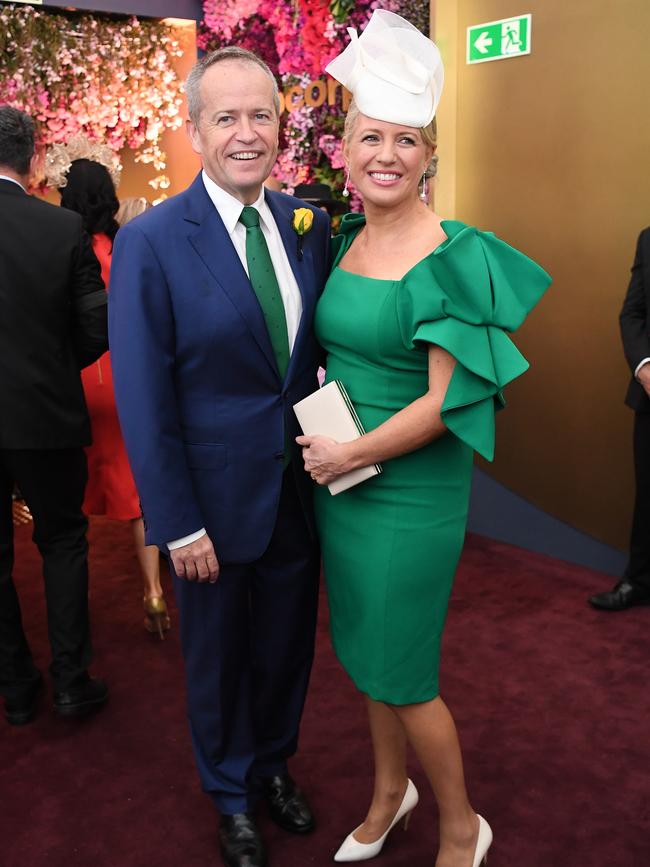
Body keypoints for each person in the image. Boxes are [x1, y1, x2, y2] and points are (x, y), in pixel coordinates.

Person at [297, 11, 551, 867]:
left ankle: (459, 822)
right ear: (346, 149)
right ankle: (386, 794)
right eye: (371, 137)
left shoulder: (451, 253)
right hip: (347, 490)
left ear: (429, 155)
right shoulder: (346, 236)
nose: (386, 155)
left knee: (405, 672)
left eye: (406, 141)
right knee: (369, 658)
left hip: (408, 490)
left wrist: (347, 452)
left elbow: (446, 403)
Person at [108, 47, 330, 867]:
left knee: (284, 649)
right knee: (217, 661)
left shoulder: (306, 227)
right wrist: (175, 521)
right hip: (207, 506)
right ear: (196, 130)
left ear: (281, 124)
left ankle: (273, 764)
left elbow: (304, 365)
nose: (247, 133)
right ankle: (230, 793)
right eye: (226, 117)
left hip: (296, 494)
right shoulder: (154, 241)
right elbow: (143, 396)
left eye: (261, 115)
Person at [0, 106, 109, 725]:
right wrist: (52, 369)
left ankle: (15, 684)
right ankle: (71, 679)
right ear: (34, 159)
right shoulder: (61, 227)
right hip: (46, 411)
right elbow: (97, 324)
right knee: (63, 541)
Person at [51, 154, 169, 639]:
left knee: (67, 499)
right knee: (139, 494)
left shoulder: (59, 242)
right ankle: (154, 591)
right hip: (125, 376)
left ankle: (72, 608)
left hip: (78, 376)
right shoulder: (128, 243)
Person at [589, 227, 650, 611]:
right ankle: (640, 581)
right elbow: (633, 312)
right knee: (648, 497)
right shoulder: (648, 238)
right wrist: (644, 367)